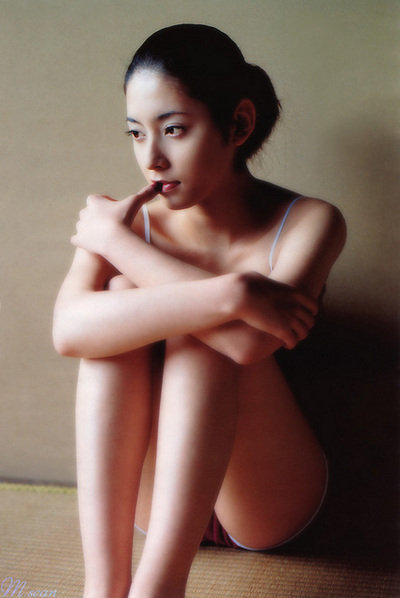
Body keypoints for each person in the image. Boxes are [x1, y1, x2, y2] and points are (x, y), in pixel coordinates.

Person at [53, 24, 346, 598]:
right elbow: (67, 332)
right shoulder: (122, 226)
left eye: (174, 130)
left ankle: (160, 590)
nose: (152, 159)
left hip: (268, 501)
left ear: (238, 124)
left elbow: (248, 344)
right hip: (149, 498)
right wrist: (232, 293)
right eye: (136, 134)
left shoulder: (310, 221)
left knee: (202, 332)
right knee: (123, 306)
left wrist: (117, 245)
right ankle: (103, 587)